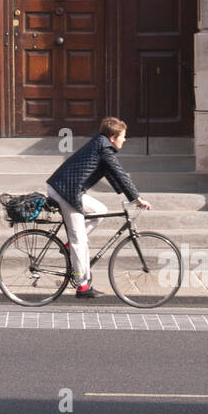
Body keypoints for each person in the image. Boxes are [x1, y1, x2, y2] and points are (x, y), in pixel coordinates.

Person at [45, 116, 151, 299]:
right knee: (80, 240)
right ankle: (82, 287)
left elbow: (112, 174)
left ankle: (70, 245)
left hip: (69, 188)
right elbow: (119, 173)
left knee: (100, 210)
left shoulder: (101, 145)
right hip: (65, 191)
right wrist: (137, 198)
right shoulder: (104, 147)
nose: (124, 140)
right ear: (112, 137)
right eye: (123, 136)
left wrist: (131, 197)